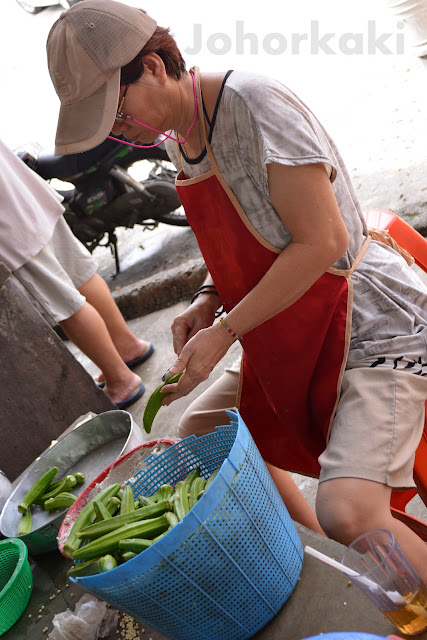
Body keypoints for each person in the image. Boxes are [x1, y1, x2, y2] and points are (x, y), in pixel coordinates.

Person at [46, 0, 427, 579]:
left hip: (369, 321)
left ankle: (359, 545)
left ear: (152, 66)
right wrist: (206, 297)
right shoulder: (178, 132)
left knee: (351, 510)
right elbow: (239, 228)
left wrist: (225, 331)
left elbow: (321, 241)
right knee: (204, 431)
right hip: (291, 325)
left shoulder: (253, 104)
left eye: (115, 112)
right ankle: (325, 558)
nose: (116, 132)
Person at [0, 137, 153, 409]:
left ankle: (121, 381)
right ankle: (127, 346)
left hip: (8, 226)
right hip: (24, 193)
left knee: (63, 302)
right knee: (79, 276)